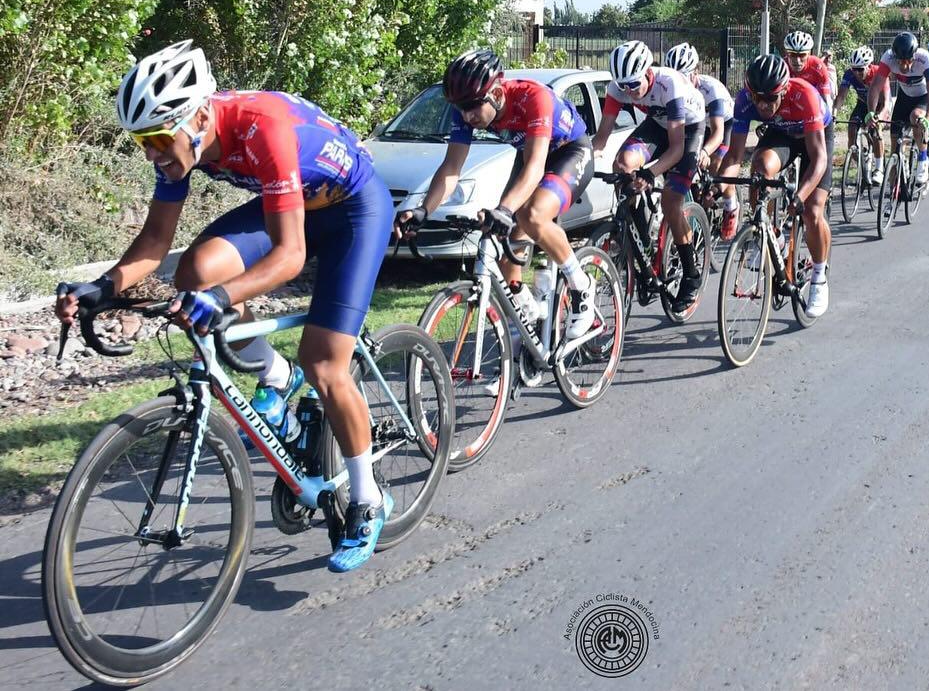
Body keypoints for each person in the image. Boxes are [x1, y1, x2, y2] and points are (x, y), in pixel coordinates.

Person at [56, 40, 395, 574]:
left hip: (354, 208)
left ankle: (367, 498)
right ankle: (275, 374)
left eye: (159, 138)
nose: (152, 153)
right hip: (295, 201)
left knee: (326, 363)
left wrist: (221, 299)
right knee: (195, 271)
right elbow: (153, 243)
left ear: (198, 116)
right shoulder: (180, 148)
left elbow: (290, 255)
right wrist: (103, 286)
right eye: (142, 141)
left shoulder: (264, 129)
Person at [399, 49, 597, 342]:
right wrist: (423, 210)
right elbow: (451, 168)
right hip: (530, 154)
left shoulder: (534, 97)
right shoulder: (466, 110)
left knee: (531, 215)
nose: (467, 115)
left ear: (496, 90)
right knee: (501, 239)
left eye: (473, 106)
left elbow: (534, 167)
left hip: (568, 152)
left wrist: (505, 208)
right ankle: (525, 312)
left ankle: (581, 285)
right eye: (460, 107)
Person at [591, 40, 707, 311]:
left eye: (633, 85)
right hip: (656, 124)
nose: (628, 92)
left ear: (648, 72)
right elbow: (601, 139)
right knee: (622, 167)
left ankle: (691, 275)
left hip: (688, 130)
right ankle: (641, 247)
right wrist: (583, 163)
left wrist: (650, 173)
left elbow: (677, 148)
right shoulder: (618, 88)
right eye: (622, 86)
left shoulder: (671, 85)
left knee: (670, 200)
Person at [722, 54, 832, 316]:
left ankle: (819, 276)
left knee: (812, 211)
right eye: (757, 98)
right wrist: (720, 185)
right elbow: (735, 156)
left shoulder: (803, 94)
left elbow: (819, 160)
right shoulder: (745, 100)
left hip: (814, 139)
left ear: (784, 90)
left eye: (771, 98)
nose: (763, 105)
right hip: (782, 132)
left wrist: (800, 197)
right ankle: (772, 235)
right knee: (759, 170)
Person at [664, 42, 738, 239]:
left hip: (723, 124)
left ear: (695, 72)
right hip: (695, 125)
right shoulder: (670, 90)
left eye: (684, 75)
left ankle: (731, 206)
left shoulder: (711, 90)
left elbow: (718, 133)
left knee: (716, 164)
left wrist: (705, 152)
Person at [870, 31, 929, 184]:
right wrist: (870, 112)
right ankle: (897, 182)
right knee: (895, 139)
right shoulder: (888, 58)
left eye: (907, 60)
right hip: (905, 96)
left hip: (924, 96)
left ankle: (923, 159)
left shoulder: (925, 59)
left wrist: (928, 119)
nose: (903, 65)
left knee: (916, 117)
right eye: (900, 60)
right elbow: (875, 87)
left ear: (914, 56)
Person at [833, 45, 890, 185]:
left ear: (869, 66)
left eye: (860, 69)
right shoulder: (849, 74)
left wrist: (879, 116)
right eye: (854, 69)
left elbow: (887, 102)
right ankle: (862, 162)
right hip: (863, 104)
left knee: (876, 131)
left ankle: (879, 169)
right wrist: (834, 114)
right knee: (852, 128)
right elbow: (841, 97)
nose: (857, 73)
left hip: (880, 106)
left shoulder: (879, 73)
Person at [783, 30, 835, 108]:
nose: (797, 60)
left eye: (802, 55)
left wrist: (830, 118)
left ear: (809, 54)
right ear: (787, 54)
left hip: (813, 102)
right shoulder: (782, 67)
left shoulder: (818, 66)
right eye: (792, 54)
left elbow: (826, 99)